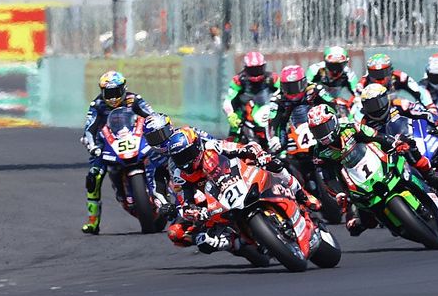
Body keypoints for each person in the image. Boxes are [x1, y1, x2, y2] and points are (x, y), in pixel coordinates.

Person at [154, 122, 319, 259]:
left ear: (196, 147)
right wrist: (195, 212)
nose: (185, 161)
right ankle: (236, 242)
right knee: (204, 241)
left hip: (238, 178)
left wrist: (257, 154)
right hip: (217, 201)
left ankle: (302, 195)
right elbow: (185, 203)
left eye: (187, 154)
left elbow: (243, 147)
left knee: (275, 165)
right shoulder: (181, 175)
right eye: (179, 158)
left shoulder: (212, 147)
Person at [307, 104, 418, 236]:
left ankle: (430, 176)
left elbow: (377, 136)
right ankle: (374, 218)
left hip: (376, 160)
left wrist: (394, 143)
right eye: (318, 131)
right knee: (355, 225)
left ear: (334, 121)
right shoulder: (319, 153)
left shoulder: (351, 128)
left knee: (408, 153)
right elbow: (327, 177)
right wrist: (338, 194)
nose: (323, 134)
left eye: (325, 128)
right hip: (352, 181)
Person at [80, 71, 155, 234]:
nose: (113, 98)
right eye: (109, 93)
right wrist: (91, 144)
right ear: (102, 92)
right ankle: (93, 220)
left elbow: (152, 116)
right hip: (107, 144)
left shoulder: (134, 99)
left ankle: (175, 195)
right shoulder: (97, 105)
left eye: (116, 92)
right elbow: (89, 128)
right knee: (94, 176)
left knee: (163, 155)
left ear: (123, 89)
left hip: (135, 139)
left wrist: (157, 128)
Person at [264, 65, 336, 154]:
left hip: (317, 123)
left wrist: (340, 118)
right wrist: (273, 138)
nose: (292, 92)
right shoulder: (277, 99)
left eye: (295, 87)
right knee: (276, 148)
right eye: (288, 88)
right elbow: (271, 121)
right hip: (289, 127)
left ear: (304, 82)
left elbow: (332, 104)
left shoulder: (315, 89)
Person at [222, 51, 276, 141]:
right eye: (252, 70)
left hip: (266, 112)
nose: (256, 73)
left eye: (258, 69)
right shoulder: (238, 80)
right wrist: (231, 115)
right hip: (244, 113)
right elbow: (227, 101)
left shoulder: (272, 78)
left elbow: (283, 92)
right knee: (233, 137)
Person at [356, 53, 434, 111]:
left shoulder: (401, 77)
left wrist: (430, 107)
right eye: (375, 74)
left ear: (390, 70)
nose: (379, 77)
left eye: (382, 73)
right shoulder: (363, 83)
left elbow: (420, 91)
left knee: (407, 104)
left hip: (394, 111)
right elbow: (356, 102)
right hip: (373, 114)